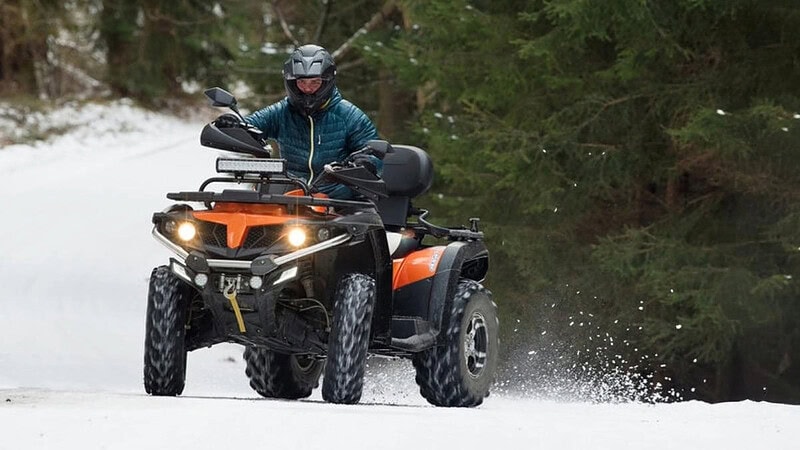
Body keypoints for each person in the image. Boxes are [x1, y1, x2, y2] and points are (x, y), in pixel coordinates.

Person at [215, 44, 381, 200]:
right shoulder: (282, 111)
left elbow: (372, 151)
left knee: (362, 223)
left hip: (336, 201)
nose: (307, 89)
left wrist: (364, 163)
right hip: (290, 196)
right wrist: (234, 123)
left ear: (327, 81)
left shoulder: (349, 115)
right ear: (291, 83)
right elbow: (252, 123)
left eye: (315, 82)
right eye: (301, 82)